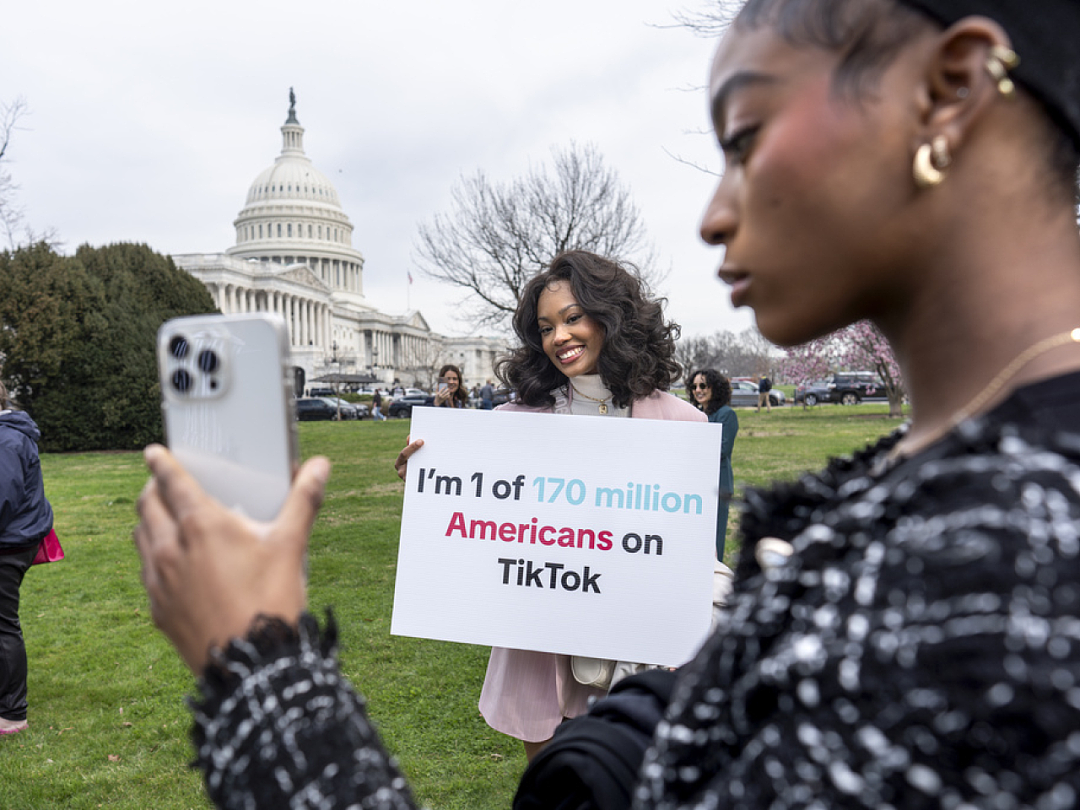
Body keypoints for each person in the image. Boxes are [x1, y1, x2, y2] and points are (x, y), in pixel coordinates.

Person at [133, 1, 1080, 806]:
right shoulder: (931, 515)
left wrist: (259, 669)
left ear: (951, 92)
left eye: (746, 138)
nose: (714, 213)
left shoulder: (1014, 567)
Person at [399, 251, 706, 761]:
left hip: (638, 652)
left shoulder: (682, 426)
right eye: (545, 327)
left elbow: (684, 554)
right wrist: (431, 477)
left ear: (612, 316)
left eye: (572, 318)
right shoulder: (513, 422)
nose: (559, 336)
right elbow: (474, 514)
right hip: (543, 652)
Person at [0, 381, 53, 736]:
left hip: (9, 543)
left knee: (3, 623)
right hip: (16, 537)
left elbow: (2, 500)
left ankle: (13, 715)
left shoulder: (5, 439)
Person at [687, 369, 738, 561]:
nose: (698, 390)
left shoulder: (727, 414)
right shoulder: (696, 413)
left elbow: (721, 450)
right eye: (694, 386)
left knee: (715, 536)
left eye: (703, 385)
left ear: (715, 388)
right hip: (697, 484)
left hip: (718, 484)